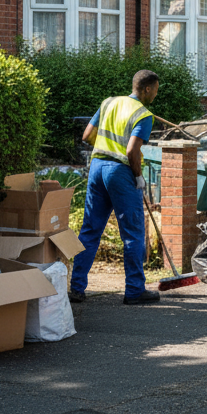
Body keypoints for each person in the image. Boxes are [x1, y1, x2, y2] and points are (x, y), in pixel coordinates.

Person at [69, 70, 160, 305]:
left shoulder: (108, 103)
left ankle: (76, 288)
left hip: (97, 167)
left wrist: (105, 147)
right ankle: (134, 291)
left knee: (90, 229)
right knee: (132, 232)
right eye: (156, 90)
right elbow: (131, 151)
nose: (156, 94)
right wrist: (138, 176)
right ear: (147, 89)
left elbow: (87, 135)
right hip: (120, 172)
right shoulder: (143, 114)